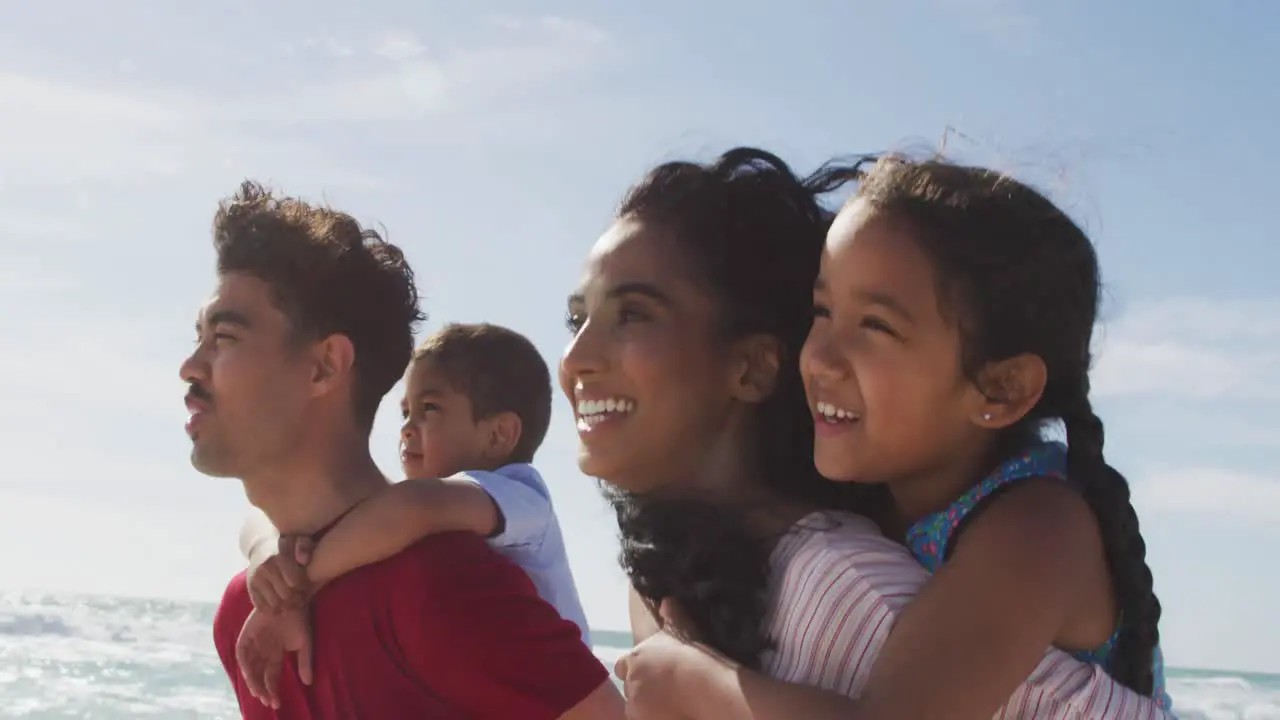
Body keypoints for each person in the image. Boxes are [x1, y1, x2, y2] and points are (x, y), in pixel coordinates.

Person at [561, 149, 1172, 719]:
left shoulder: (1037, 528)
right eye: (823, 312)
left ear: (1002, 389)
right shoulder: (878, 503)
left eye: (875, 325)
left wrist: (699, 678)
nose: (818, 355)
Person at [184, 181, 623, 719]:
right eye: (198, 337)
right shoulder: (245, 615)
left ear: (324, 366)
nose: (190, 366)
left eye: (224, 338)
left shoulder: (439, 586)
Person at [239, 322, 592, 694]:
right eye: (406, 412)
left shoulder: (522, 496)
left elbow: (411, 509)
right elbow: (263, 514)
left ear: (498, 435)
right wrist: (267, 557)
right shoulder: (401, 512)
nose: (407, 428)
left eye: (430, 409)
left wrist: (298, 586)